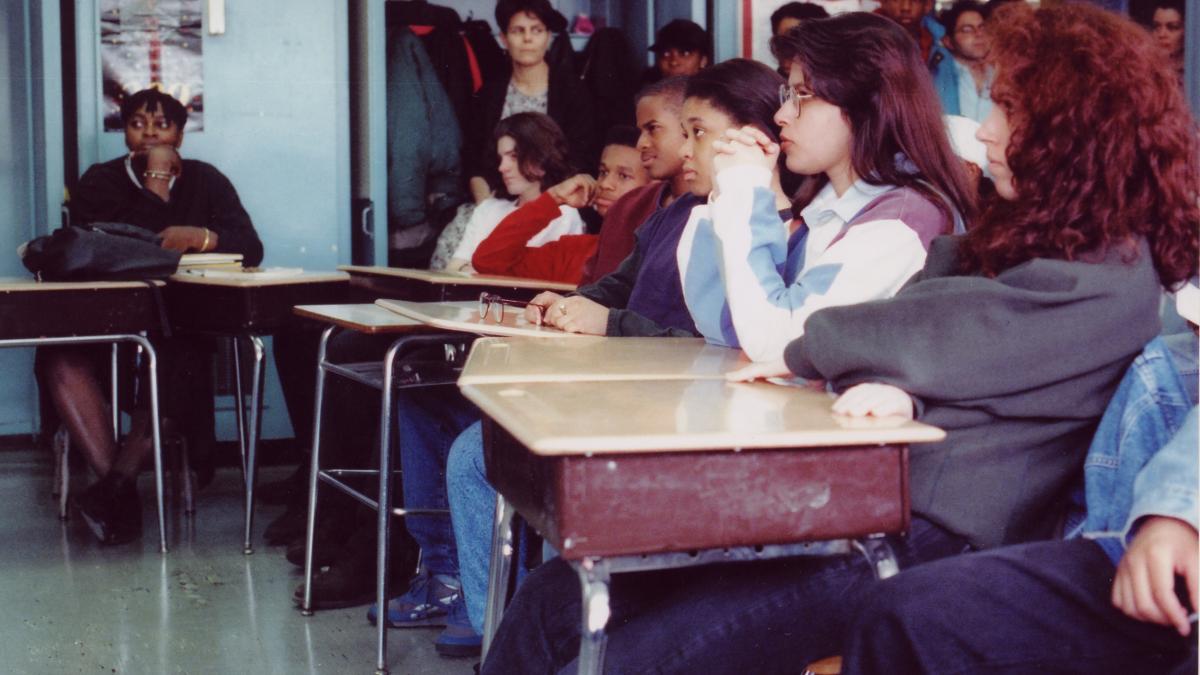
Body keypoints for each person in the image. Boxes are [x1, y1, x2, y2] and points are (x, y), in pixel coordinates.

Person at [480, 3, 1199, 672]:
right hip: (852, 504)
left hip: (920, 535)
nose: (983, 130)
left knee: (644, 655)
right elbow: (927, 318)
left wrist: (872, 365)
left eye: (1007, 110)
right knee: (553, 593)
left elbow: (908, 327)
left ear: (1074, 132)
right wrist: (890, 377)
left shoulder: (1108, 271)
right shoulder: (1029, 242)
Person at [377, 76, 703, 659]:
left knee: (474, 444)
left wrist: (596, 307)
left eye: (650, 137)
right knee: (427, 401)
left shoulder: (662, 217)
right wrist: (574, 304)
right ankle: (474, 603)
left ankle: (514, 629)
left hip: (637, 391)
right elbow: (600, 283)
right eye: (604, 172)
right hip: (601, 372)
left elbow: (662, 319)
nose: (610, 184)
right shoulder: (650, 211)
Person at [839, 285, 1199, 675]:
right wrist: (1175, 514)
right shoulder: (1159, 361)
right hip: (953, 506)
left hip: (956, 515)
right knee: (904, 614)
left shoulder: (1112, 290)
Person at [38, 88, 263, 545]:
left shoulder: (206, 179)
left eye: (162, 125)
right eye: (139, 123)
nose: (150, 133)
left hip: (176, 320)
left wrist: (201, 236)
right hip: (103, 316)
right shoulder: (100, 179)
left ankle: (114, 492)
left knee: (181, 365)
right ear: (124, 131)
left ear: (181, 132)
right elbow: (121, 243)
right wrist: (158, 177)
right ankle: (118, 490)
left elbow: (251, 246)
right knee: (59, 358)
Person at [678, 18, 973, 362]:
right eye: (788, 95)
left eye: (803, 95)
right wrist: (735, 197)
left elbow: (778, 343)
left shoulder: (902, 222)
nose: (782, 115)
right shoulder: (831, 205)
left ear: (866, 105)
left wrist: (744, 192)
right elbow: (723, 325)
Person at [471, 126, 650, 283]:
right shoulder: (575, 251)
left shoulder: (661, 254)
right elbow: (488, 260)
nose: (604, 184)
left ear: (655, 187)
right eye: (603, 172)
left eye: (623, 176)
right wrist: (554, 197)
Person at [466, 0, 596, 204]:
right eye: (518, 31)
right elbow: (473, 162)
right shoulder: (488, 94)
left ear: (548, 38)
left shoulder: (572, 92)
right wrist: (486, 208)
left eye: (536, 30)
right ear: (503, 39)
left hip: (556, 204)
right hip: (497, 203)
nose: (527, 38)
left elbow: (581, 159)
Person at [446, 112, 583, 273]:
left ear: (542, 156)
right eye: (501, 158)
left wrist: (471, 269)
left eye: (513, 156)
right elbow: (452, 270)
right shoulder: (488, 209)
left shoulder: (565, 215)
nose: (502, 167)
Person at [933, 0, 994, 121]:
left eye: (982, 27)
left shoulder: (1001, 75)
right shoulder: (938, 78)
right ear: (948, 41)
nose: (978, 34)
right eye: (967, 30)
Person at [876, 0, 950, 66]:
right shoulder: (869, 42)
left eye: (915, 0)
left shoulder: (939, 47)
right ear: (884, 3)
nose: (906, 8)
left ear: (928, 5)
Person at [641, 19, 711, 85]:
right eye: (666, 54)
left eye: (684, 54)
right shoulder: (647, 94)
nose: (673, 62)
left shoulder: (715, 94)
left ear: (703, 61)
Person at [770, 2, 829, 76]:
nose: (786, 50)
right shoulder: (769, 85)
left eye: (796, 41)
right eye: (781, 42)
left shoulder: (840, 84)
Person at [1148, 0, 1185, 84]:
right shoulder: (1146, 69)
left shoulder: (1194, 72)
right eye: (1157, 27)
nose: (1161, 34)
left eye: (1172, 27)